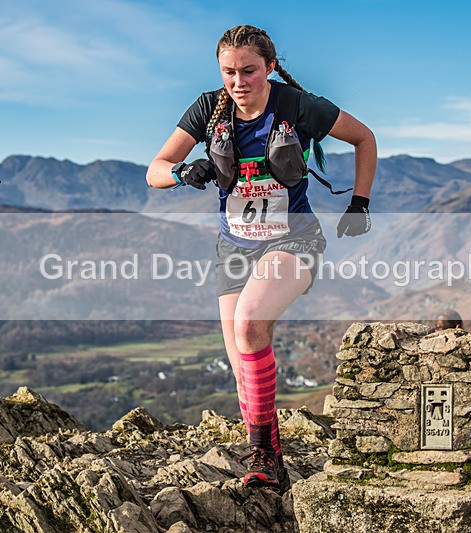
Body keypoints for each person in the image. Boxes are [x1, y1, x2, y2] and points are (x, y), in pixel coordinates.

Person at [147, 25, 376, 492]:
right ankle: (269, 458)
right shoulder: (208, 110)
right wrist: (182, 172)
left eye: (249, 70)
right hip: (234, 247)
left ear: (270, 67)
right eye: (229, 72)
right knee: (240, 364)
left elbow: (364, 138)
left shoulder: (297, 106)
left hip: (293, 239)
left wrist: (359, 203)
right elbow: (154, 171)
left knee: (250, 323)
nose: (238, 82)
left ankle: (265, 455)